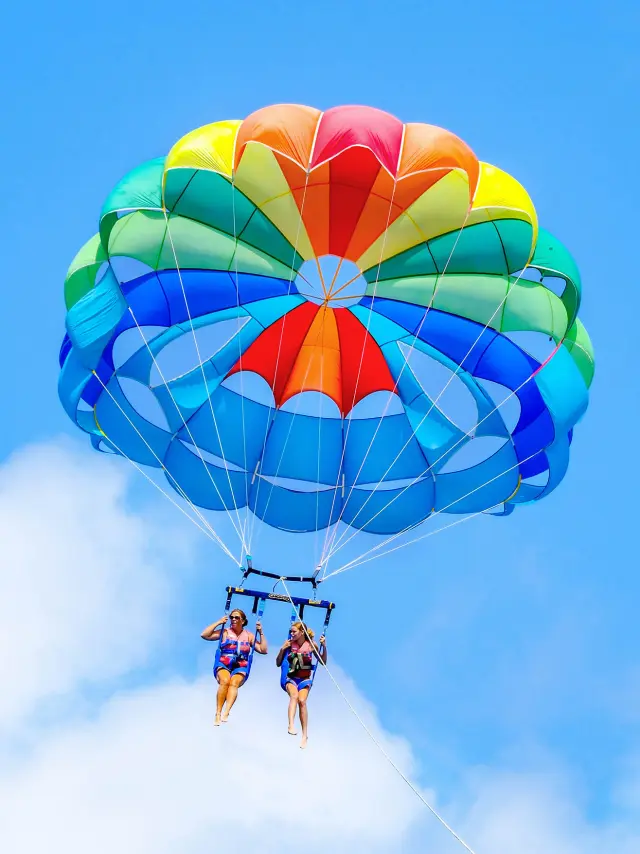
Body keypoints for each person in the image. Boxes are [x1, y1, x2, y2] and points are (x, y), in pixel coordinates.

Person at [201, 608, 267, 725]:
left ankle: (227, 711)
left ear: (243, 621)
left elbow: (263, 649)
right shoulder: (225, 632)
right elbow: (205, 635)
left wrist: (261, 632)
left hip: (240, 665)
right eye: (232, 617)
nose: (233, 619)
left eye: (236, 617)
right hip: (224, 662)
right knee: (225, 681)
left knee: (234, 683)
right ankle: (218, 712)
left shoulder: (249, 636)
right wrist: (219, 622)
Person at [276, 621, 327, 749]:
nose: (291, 634)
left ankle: (305, 735)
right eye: (290, 631)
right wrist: (282, 649)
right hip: (291, 678)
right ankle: (291, 725)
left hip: (304, 679)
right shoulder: (288, 644)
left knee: (302, 701)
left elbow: (323, 661)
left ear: (302, 632)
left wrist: (324, 646)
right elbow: (278, 663)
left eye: (294, 632)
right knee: (294, 696)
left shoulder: (311, 645)